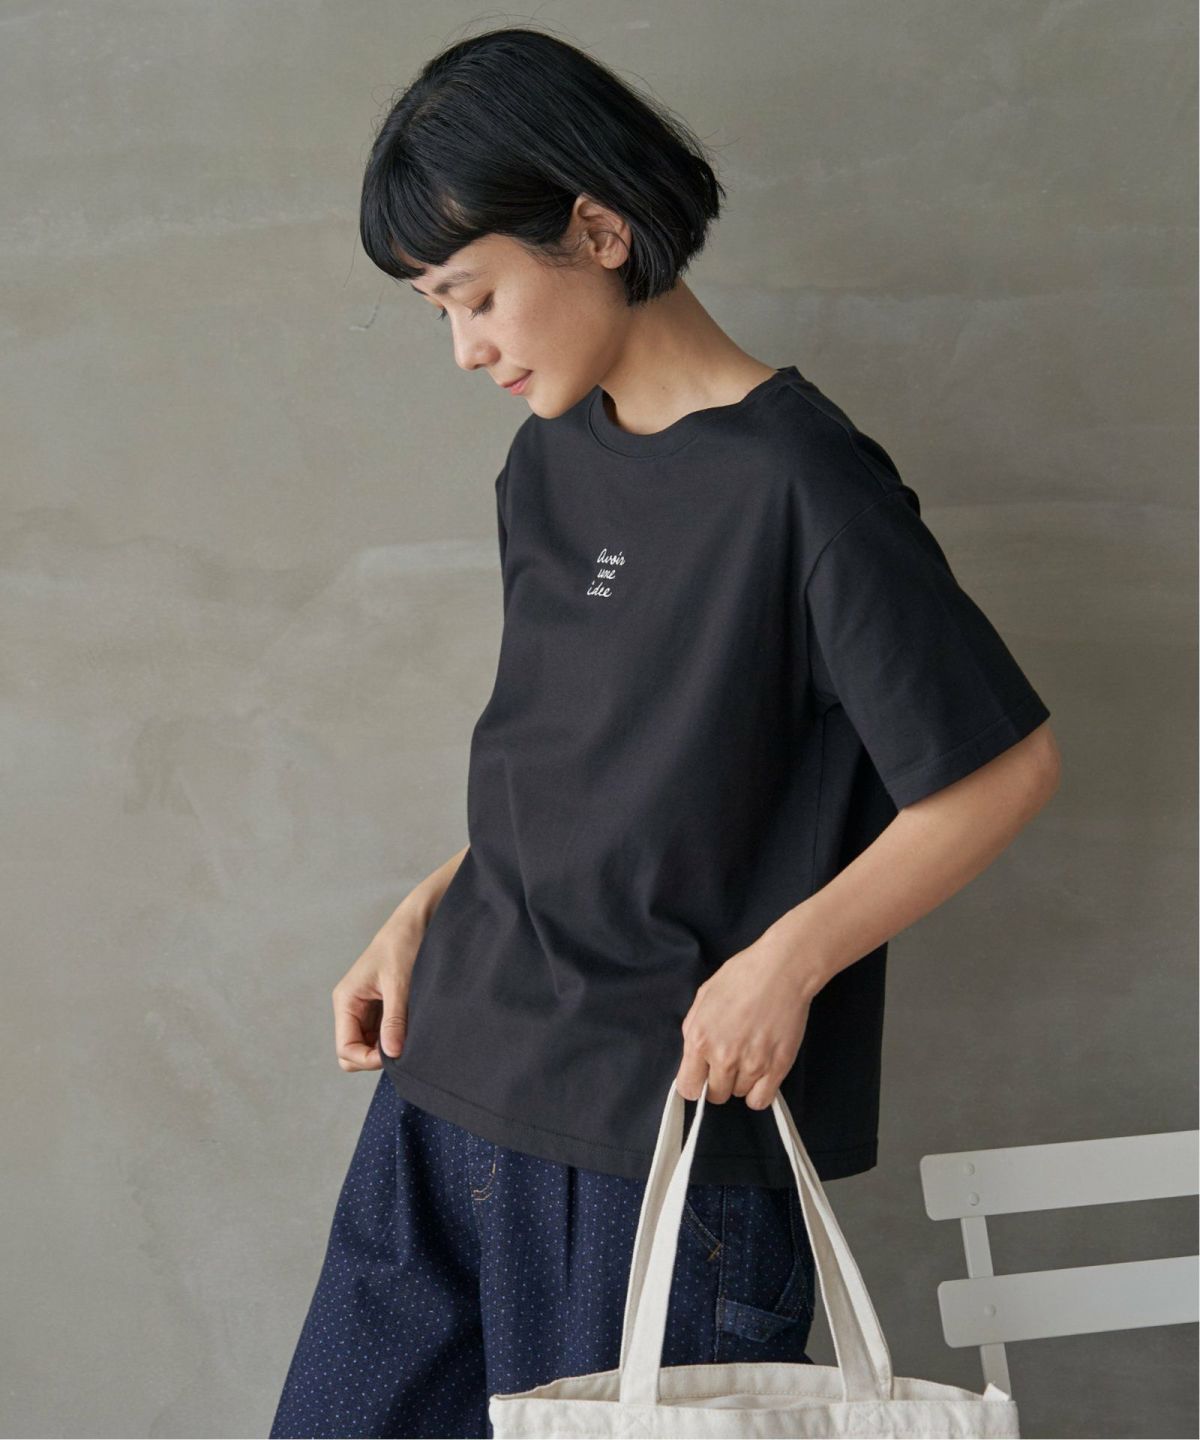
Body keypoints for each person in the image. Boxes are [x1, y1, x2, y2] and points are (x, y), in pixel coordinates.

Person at [270, 24, 1061, 1440]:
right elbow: (589, 767)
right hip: (451, 1087)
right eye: (438, 310)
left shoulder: (804, 487)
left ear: (597, 230)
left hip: (661, 1146)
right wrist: (427, 905)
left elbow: (1000, 772)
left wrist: (787, 966)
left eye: (477, 297)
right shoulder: (545, 463)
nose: (465, 349)